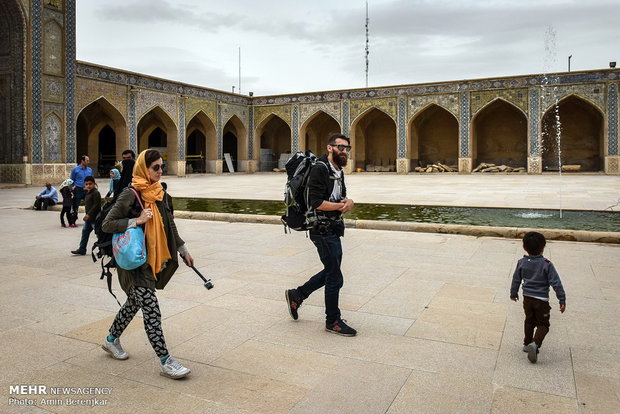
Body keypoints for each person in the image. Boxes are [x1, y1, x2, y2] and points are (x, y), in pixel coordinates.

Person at [101, 149, 195, 379]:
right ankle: (166, 361)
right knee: (152, 310)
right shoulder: (130, 194)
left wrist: (183, 250)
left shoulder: (159, 193)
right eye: (156, 167)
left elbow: (168, 225)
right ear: (144, 168)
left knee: (134, 303)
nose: (160, 171)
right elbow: (107, 223)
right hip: (133, 262)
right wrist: (136, 220)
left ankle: (110, 340)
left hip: (151, 259)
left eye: (162, 167)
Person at [285, 134, 356, 336]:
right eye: (340, 147)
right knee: (335, 276)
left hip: (333, 226)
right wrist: (340, 206)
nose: (344, 151)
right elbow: (315, 202)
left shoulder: (338, 170)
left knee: (331, 271)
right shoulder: (319, 169)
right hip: (321, 229)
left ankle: (297, 295)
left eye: (347, 148)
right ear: (330, 148)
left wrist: (349, 201)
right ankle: (332, 321)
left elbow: (339, 196)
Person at [510, 231, 566, 364]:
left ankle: (526, 343)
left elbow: (516, 279)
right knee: (544, 324)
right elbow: (556, 283)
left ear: (524, 247)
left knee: (529, 320)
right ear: (543, 248)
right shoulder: (546, 264)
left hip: (527, 298)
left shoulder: (521, 262)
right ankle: (535, 344)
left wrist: (513, 293)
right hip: (541, 301)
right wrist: (562, 299)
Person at [71, 176, 101, 255]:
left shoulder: (96, 193)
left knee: (99, 234)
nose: (88, 186)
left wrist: (88, 214)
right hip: (89, 219)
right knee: (84, 233)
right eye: (86, 184)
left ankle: (103, 249)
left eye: (90, 184)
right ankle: (82, 249)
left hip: (95, 219)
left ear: (94, 184)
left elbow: (96, 205)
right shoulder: (88, 193)